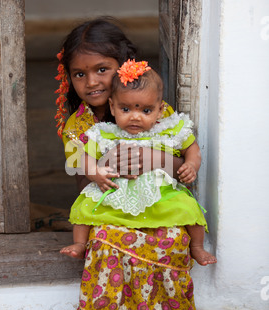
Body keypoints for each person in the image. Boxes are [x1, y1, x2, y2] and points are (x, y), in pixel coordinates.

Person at [55, 17, 203, 310]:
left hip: (158, 204)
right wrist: (100, 167)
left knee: (169, 247)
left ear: (125, 67)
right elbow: (75, 165)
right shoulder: (79, 124)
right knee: (107, 246)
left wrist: (153, 158)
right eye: (79, 74)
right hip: (108, 206)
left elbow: (181, 161)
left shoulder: (153, 108)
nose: (92, 82)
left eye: (102, 69)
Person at [61, 60, 216, 266]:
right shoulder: (105, 132)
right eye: (125, 109)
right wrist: (95, 172)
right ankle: (80, 244)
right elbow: (84, 157)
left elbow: (192, 149)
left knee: (188, 207)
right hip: (116, 190)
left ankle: (197, 247)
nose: (135, 117)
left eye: (145, 111)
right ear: (112, 107)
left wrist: (191, 165)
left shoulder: (169, 129)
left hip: (160, 193)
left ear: (160, 110)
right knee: (84, 208)